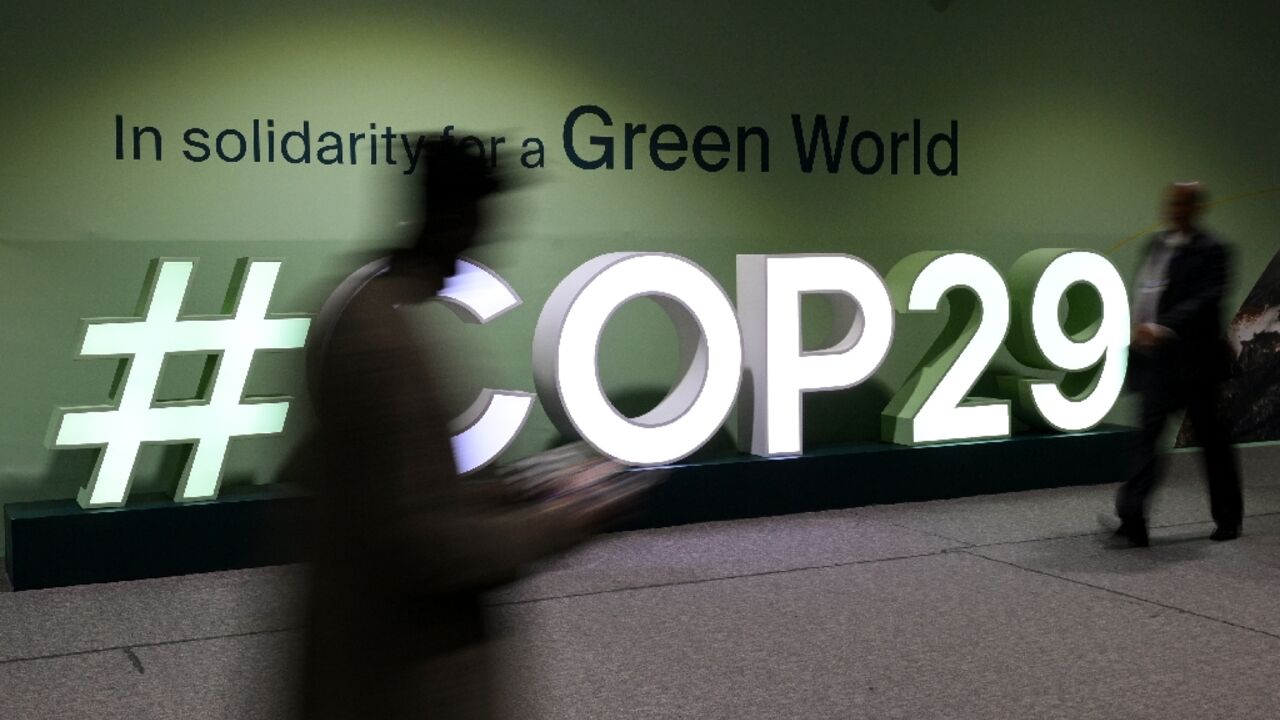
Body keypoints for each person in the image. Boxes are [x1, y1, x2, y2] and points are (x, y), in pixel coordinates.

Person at [297, 136, 615, 720]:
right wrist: (567, 520)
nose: (481, 250)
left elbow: (393, 495)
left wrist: (511, 491)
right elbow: (430, 550)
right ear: (451, 219)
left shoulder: (356, 308)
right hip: (398, 679)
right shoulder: (386, 346)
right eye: (479, 228)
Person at [1114, 182, 1243, 547]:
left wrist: (1164, 327)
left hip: (1196, 365)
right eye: (1172, 201)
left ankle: (1228, 519)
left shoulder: (1213, 250)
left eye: (1183, 202)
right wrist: (1139, 331)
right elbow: (1147, 291)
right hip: (1157, 363)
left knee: (1212, 444)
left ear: (1197, 208)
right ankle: (1133, 516)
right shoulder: (1156, 245)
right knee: (1144, 439)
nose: (1175, 208)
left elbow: (1207, 299)